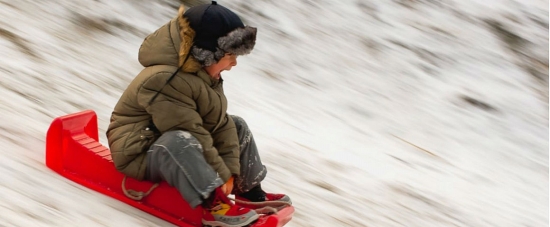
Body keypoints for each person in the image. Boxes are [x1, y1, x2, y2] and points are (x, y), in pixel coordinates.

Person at [106, 1, 290, 226]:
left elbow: (219, 125)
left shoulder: (206, 76)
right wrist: (220, 176)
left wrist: (230, 173)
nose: (234, 63)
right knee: (179, 140)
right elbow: (187, 128)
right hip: (139, 150)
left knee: (236, 124)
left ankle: (250, 193)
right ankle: (215, 206)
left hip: (173, 141)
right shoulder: (164, 79)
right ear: (207, 53)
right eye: (230, 55)